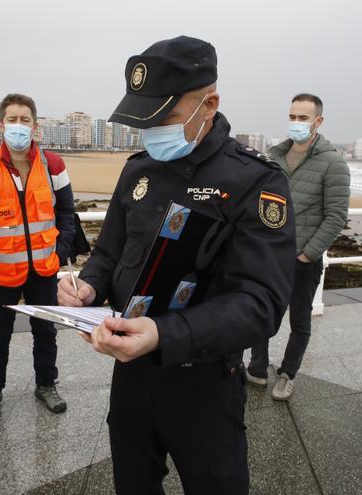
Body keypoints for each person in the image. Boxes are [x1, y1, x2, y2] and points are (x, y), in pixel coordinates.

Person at [57, 36, 295, 494]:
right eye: (142, 118)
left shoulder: (254, 181)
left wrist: (166, 334)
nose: (151, 130)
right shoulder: (139, 170)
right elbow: (109, 252)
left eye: (163, 117)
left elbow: (261, 302)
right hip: (131, 372)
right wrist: (87, 287)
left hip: (203, 380)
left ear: (210, 103)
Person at [0, 93, 75, 423]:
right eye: (12, 119)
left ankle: (46, 384)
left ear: (35, 125)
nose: (18, 125)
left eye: (24, 120)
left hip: (43, 268)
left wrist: (61, 251)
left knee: (46, 332)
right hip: (0, 270)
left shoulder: (52, 164)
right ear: (2, 125)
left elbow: (67, 212)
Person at [247, 93, 350, 400]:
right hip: (268, 256)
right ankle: (257, 365)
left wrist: (307, 254)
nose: (296, 123)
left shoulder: (333, 163)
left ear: (318, 121)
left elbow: (336, 216)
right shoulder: (273, 155)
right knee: (260, 312)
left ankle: (287, 373)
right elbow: (258, 200)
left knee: (300, 320)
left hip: (303, 259)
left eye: (303, 118)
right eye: (292, 116)